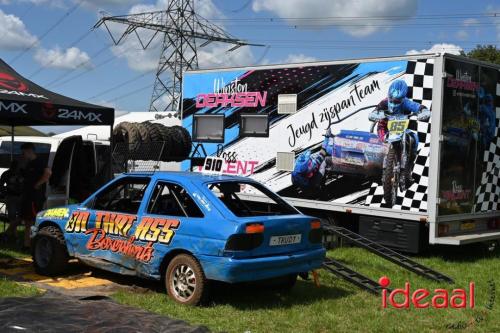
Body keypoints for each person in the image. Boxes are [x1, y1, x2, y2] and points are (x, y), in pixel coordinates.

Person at [19, 143, 51, 249]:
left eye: (23, 152)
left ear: (29, 151)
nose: (22, 154)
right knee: (27, 221)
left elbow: (48, 173)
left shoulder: (39, 162)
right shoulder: (29, 163)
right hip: (28, 196)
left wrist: (38, 184)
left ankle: (34, 244)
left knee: (33, 221)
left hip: (35, 197)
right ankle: (27, 243)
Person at [0, 160, 23, 241]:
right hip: (11, 197)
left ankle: (8, 234)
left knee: (21, 217)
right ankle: (15, 236)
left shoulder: (22, 173)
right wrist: (5, 193)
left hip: (21, 197)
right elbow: (1, 185)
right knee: (12, 217)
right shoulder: (6, 173)